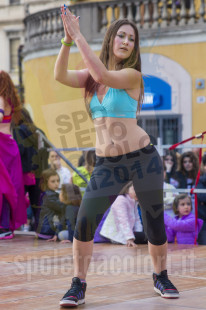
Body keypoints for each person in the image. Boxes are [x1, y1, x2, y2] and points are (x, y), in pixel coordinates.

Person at [54, 6, 179, 306]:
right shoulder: (89, 78)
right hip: (107, 164)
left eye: (131, 39)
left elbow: (102, 73)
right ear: (110, 39)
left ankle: (160, 276)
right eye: (120, 36)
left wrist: (80, 35)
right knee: (84, 222)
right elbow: (59, 75)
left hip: (142, 160)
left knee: (153, 224)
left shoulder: (131, 75)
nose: (125, 41)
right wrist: (68, 41)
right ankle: (77, 284)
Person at [0, 70, 27, 239]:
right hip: (10, 146)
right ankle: (6, 226)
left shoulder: (0, 99)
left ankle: (3, 227)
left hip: (2, 145)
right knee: (9, 188)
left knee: (4, 188)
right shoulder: (9, 100)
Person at [12, 107, 49, 231]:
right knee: (38, 203)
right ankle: (43, 230)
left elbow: (19, 150)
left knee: (15, 201)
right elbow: (47, 150)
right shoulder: (39, 131)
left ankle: (11, 228)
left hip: (24, 172)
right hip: (40, 172)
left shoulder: (17, 130)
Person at [99, 181, 147, 246]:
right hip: (116, 235)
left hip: (126, 233)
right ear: (127, 189)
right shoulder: (120, 200)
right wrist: (129, 238)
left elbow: (137, 219)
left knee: (148, 236)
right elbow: (123, 221)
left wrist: (139, 233)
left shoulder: (133, 201)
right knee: (149, 238)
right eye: (134, 189)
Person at [36, 168, 65, 240]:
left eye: (58, 181)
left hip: (42, 230)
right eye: (53, 181)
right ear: (46, 182)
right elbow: (63, 208)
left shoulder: (45, 193)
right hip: (47, 231)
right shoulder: (50, 196)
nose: (56, 184)